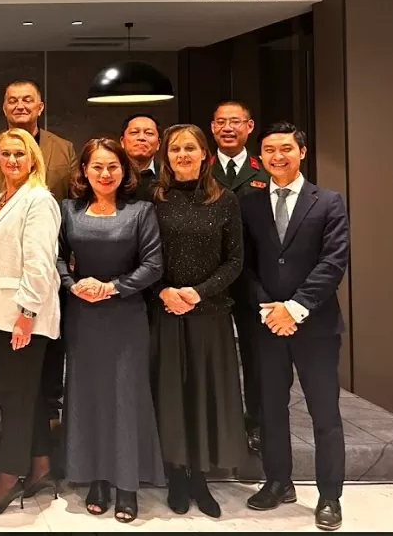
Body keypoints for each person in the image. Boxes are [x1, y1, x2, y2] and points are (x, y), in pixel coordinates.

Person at [240, 122, 348, 532]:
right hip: (267, 323)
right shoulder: (249, 204)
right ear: (261, 157)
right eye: (269, 150)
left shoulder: (329, 201)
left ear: (302, 151)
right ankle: (278, 482)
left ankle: (329, 496)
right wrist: (270, 308)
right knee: (270, 409)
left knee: (325, 412)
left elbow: (333, 261)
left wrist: (296, 308)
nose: (278, 156)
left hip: (316, 325)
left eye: (286, 148)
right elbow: (244, 264)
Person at [58, 138, 164, 524]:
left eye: (112, 167)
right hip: (83, 315)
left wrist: (113, 287)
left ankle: (127, 486)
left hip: (125, 314)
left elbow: (153, 265)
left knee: (126, 396)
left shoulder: (141, 212)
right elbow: (55, 257)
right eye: (97, 166)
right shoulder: (68, 210)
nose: (105, 174)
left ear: (124, 171)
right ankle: (97, 480)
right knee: (88, 396)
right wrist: (72, 285)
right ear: (84, 171)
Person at [0, 80, 76, 433]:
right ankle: (18, 425)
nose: (20, 105)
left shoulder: (62, 148)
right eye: (12, 100)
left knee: (47, 353)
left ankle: (47, 417)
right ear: (3, 107)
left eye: (27, 100)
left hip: (44, 264)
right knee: (12, 369)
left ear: (40, 106)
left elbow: (72, 200)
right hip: (5, 269)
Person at [149, 124, 246, 518]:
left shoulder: (224, 199)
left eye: (190, 148)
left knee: (204, 395)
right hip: (164, 311)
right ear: (166, 156)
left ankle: (200, 478)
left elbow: (235, 260)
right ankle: (175, 474)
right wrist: (164, 292)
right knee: (171, 395)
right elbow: (141, 255)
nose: (183, 155)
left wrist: (199, 292)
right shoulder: (152, 197)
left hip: (209, 314)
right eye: (175, 149)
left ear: (205, 154)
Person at [0, 128, 60, 516]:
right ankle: (41, 468)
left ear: (33, 159)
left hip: (24, 316)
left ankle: (8, 478)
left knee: (14, 398)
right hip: (5, 314)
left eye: (19, 154)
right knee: (30, 394)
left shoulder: (39, 200)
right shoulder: (3, 196)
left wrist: (27, 313)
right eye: (5, 154)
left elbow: (40, 263)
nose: (11, 160)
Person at [209, 100, 270, 452]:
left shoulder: (265, 170)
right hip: (210, 276)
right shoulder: (201, 168)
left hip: (253, 277)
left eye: (235, 122)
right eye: (221, 122)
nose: (227, 128)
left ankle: (257, 422)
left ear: (249, 126)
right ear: (212, 127)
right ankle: (218, 424)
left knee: (256, 353)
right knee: (213, 356)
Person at [120, 114, 161, 199]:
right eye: (134, 132)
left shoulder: (168, 176)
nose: (141, 137)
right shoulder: (112, 175)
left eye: (149, 133)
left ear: (158, 143)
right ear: (122, 142)